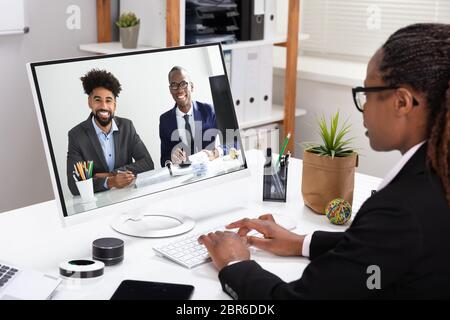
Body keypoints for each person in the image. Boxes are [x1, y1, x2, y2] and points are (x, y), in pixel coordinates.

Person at [198, 23, 450, 299]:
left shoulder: (399, 210)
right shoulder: (436, 180)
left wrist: (235, 263)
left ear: (402, 102)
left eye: (366, 93)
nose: (364, 107)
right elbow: (385, 248)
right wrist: (301, 242)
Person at [67, 69, 154, 195]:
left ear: (114, 105)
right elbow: (74, 185)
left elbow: (147, 163)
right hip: (98, 203)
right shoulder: (76, 135)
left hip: (128, 195)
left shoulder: (127, 127)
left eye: (108, 100)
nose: (104, 106)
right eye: (98, 100)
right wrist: (110, 182)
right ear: (90, 102)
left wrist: (112, 174)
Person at [159, 66, 218, 167]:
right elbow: (164, 160)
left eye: (183, 84)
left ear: (191, 86)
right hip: (184, 177)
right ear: (170, 90)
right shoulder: (165, 120)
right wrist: (171, 159)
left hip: (210, 170)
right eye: (174, 85)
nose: (179, 89)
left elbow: (233, 142)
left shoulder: (209, 110)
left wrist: (214, 153)